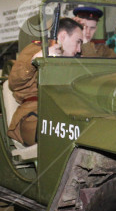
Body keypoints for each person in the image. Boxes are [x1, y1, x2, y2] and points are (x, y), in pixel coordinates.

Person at [8, 18, 83, 146]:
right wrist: (36, 59)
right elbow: (14, 81)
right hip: (35, 113)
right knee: (62, 138)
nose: (79, 49)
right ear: (63, 36)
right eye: (78, 42)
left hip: (64, 112)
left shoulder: (72, 61)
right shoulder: (36, 49)